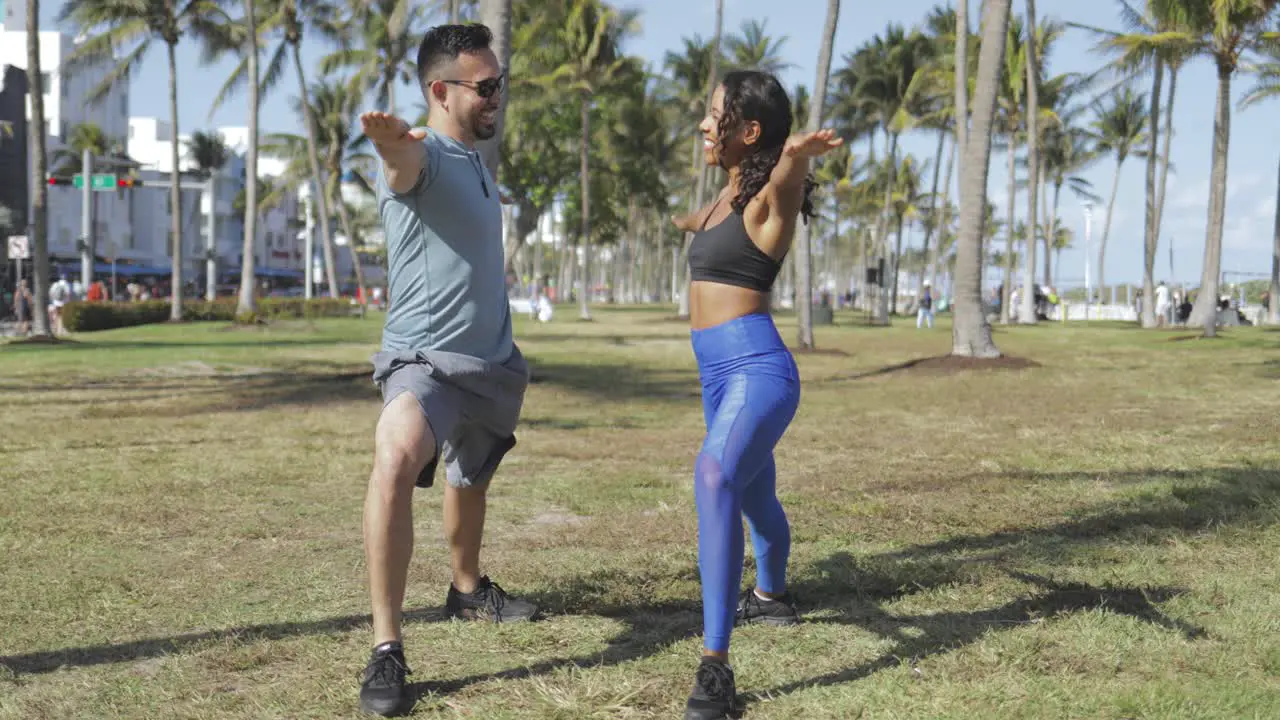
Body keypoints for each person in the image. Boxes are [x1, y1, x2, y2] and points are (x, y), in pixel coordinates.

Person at [356, 23, 536, 718]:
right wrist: (388, 141)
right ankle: (386, 650)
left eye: (499, 84)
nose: (496, 96)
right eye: (485, 87)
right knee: (396, 458)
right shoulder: (426, 155)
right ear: (441, 91)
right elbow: (402, 162)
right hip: (426, 363)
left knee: (472, 474)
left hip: (492, 364)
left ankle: (466, 590)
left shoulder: (475, 161)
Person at [671, 69, 843, 720]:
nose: (703, 126)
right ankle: (771, 596)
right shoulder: (721, 202)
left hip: (758, 371)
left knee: (714, 475)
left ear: (750, 131)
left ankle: (715, 666)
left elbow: (785, 177)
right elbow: (701, 222)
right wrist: (681, 218)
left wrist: (796, 154)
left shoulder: (768, 200)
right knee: (755, 495)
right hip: (717, 376)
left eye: (715, 117)